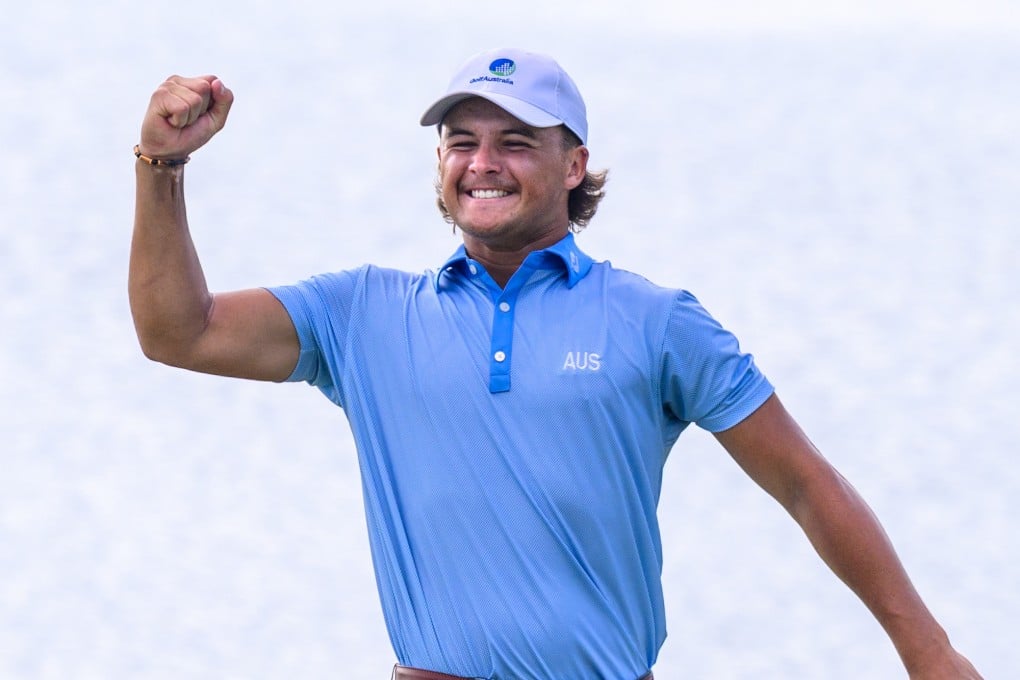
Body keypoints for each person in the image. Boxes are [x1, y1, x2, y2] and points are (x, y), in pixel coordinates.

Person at [130, 48, 981, 680]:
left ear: (574, 166)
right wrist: (162, 166)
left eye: (516, 142)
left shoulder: (656, 322)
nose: (482, 163)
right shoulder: (363, 314)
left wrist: (929, 652)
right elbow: (179, 332)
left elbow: (804, 483)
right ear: (439, 164)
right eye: (461, 141)